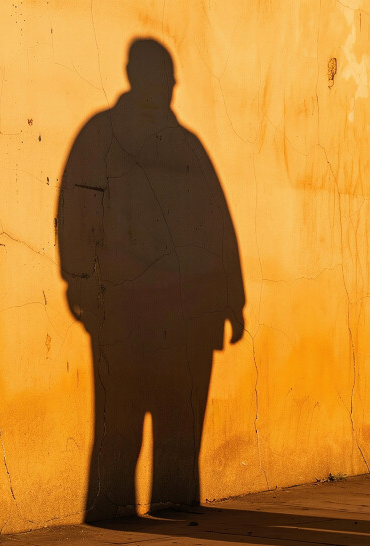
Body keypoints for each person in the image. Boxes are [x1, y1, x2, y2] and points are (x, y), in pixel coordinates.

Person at [57, 38, 245, 520]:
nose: (172, 86)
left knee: (179, 424)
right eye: (166, 77)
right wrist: (79, 286)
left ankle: (169, 505)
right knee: (120, 421)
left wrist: (231, 301)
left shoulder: (182, 145)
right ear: (141, 77)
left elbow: (216, 225)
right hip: (124, 308)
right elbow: (77, 214)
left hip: (182, 313)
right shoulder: (103, 137)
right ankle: (115, 508)